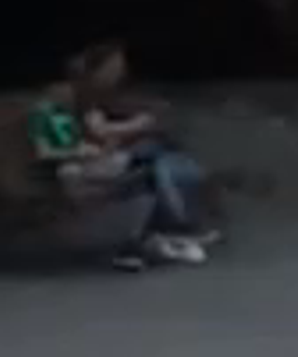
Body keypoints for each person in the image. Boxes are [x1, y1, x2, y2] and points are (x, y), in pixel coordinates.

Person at [29, 51, 215, 269]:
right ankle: (169, 230)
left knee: (156, 157)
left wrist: (113, 138)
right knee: (150, 160)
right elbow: (54, 148)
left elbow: (95, 132)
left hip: (93, 163)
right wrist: (87, 149)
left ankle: (167, 230)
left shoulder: (83, 101)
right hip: (73, 171)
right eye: (112, 70)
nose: (118, 76)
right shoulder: (54, 105)